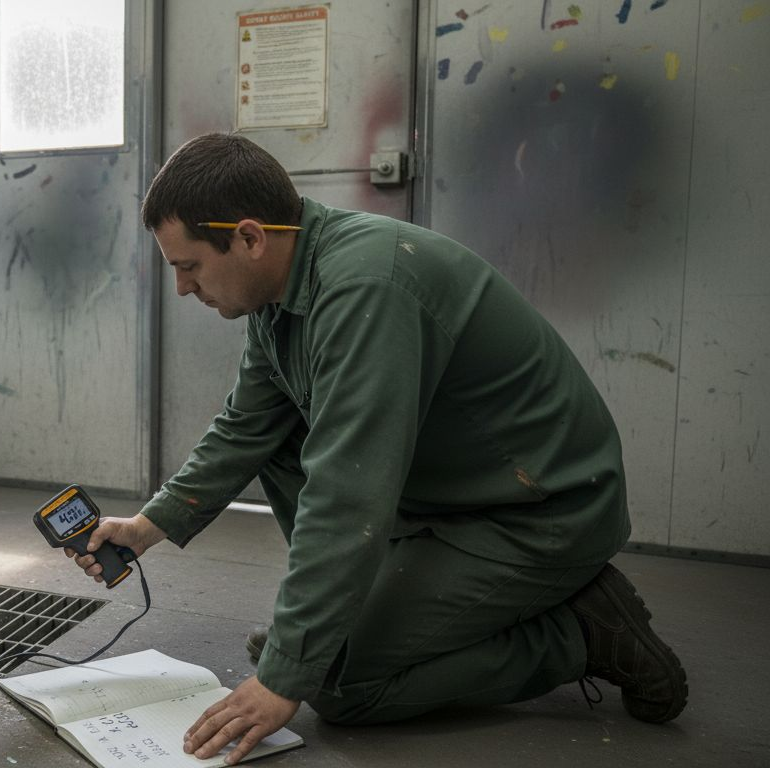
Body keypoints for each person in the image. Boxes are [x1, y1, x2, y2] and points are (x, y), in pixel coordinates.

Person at [67, 133, 687, 765]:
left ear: (249, 238)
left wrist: (288, 675)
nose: (181, 289)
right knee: (280, 447)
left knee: (338, 686)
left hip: (539, 516)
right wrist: (151, 525)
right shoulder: (281, 291)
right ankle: (355, 622)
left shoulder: (366, 287)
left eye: (188, 266)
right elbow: (246, 426)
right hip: (455, 496)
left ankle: (581, 632)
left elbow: (347, 495)